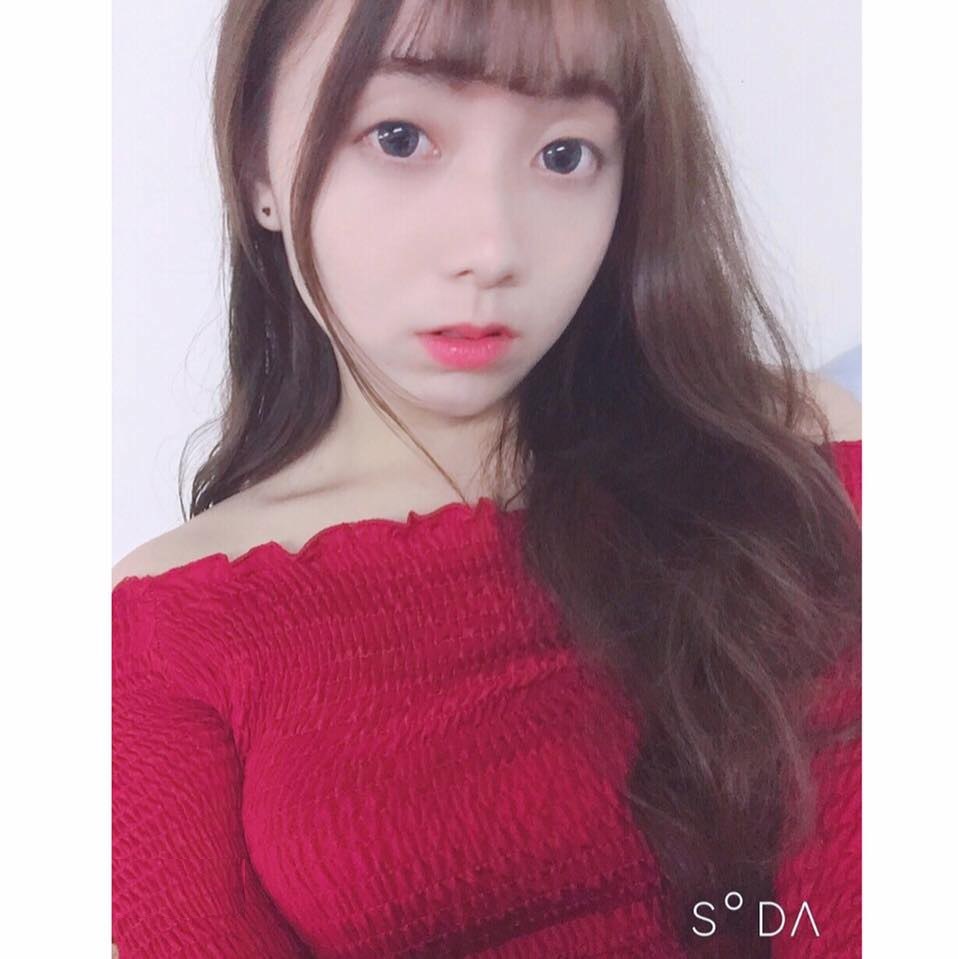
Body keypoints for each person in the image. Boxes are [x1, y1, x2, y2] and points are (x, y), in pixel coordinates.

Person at [112, 1, 862, 957]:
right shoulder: (167, 622)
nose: (494, 249)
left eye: (565, 155)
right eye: (400, 137)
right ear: (257, 162)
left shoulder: (789, 455)